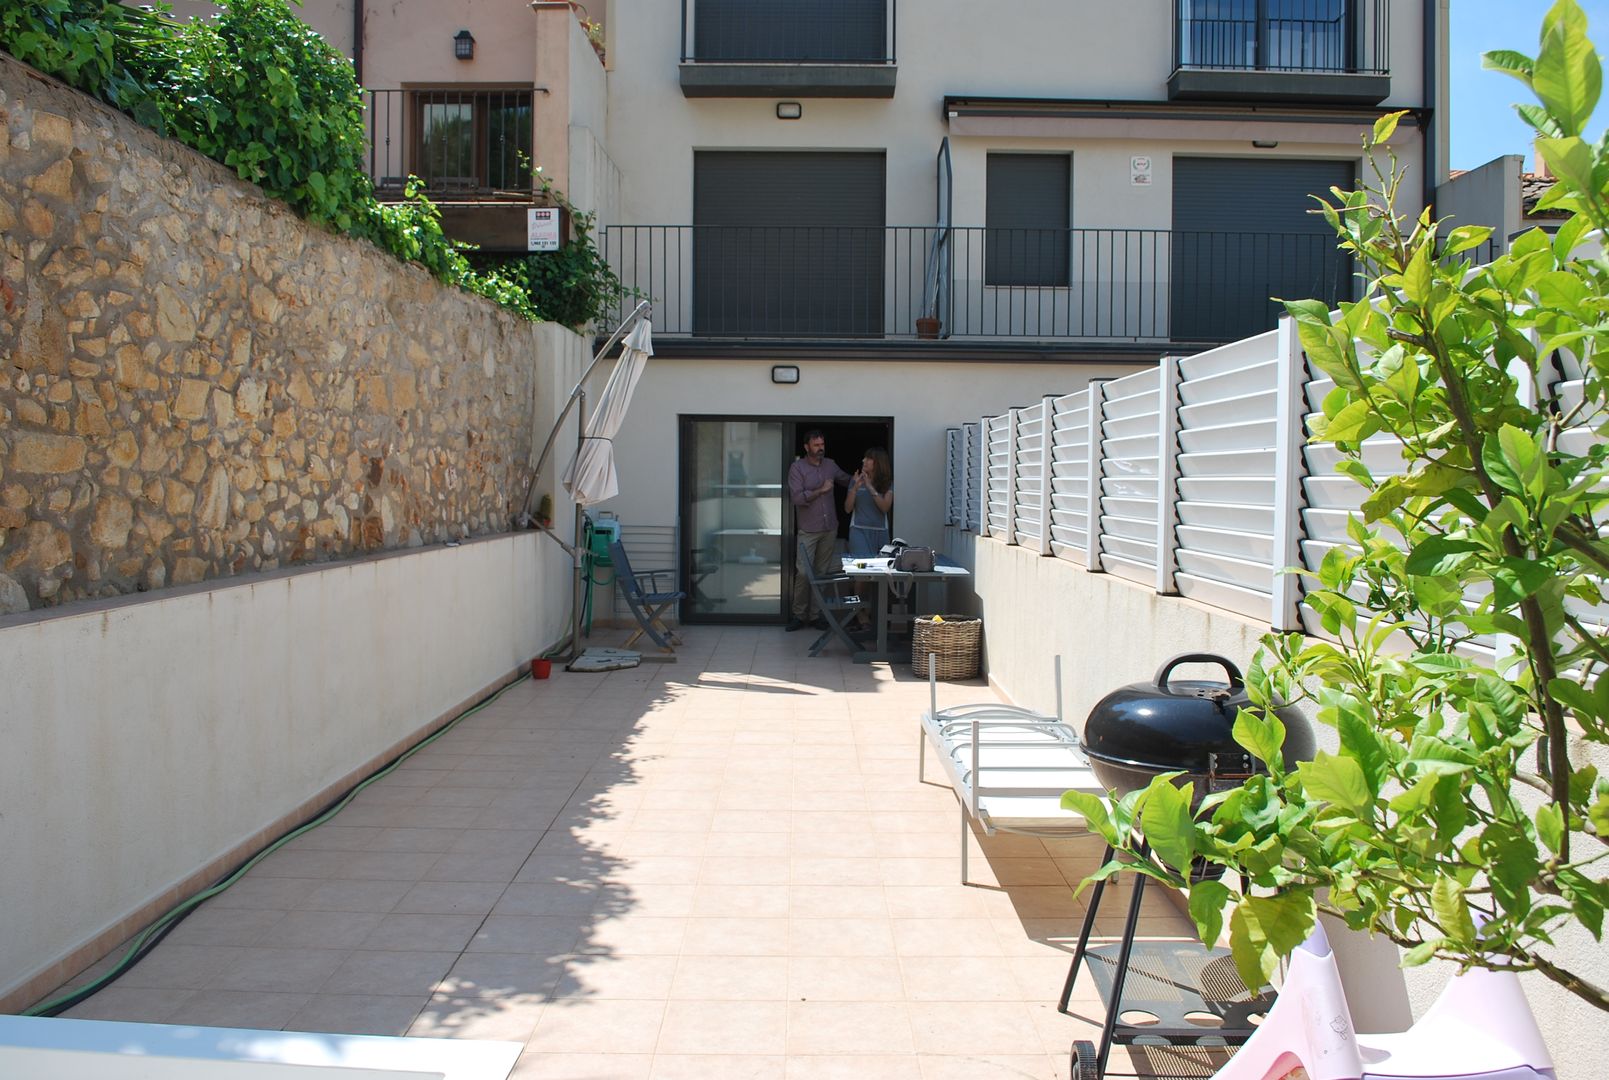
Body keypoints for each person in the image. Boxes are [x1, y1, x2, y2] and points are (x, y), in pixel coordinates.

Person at [786, 428, 851, 632]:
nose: (820, 448)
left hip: (829, 528)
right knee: (804, 573)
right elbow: (796, 498)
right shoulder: (797, 468)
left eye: (822, 445)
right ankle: (798, 615)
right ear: (807, 447)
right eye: (816, 445)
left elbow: (847, 480)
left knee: (821, 573)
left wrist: (865, 479)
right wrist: (820, 491)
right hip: (808, 529)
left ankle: (816, 615)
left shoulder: (830, 465)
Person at [845, 447, 893, 558]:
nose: (863, 461)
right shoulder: (856, 480)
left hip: (881, 532)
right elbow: (847, 508)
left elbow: (885, 507)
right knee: (861, 569)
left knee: (881, 570)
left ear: (878, 463)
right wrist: (855, 488)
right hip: (858, 531)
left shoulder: (887, 483)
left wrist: (869, 486)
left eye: (868, 458)